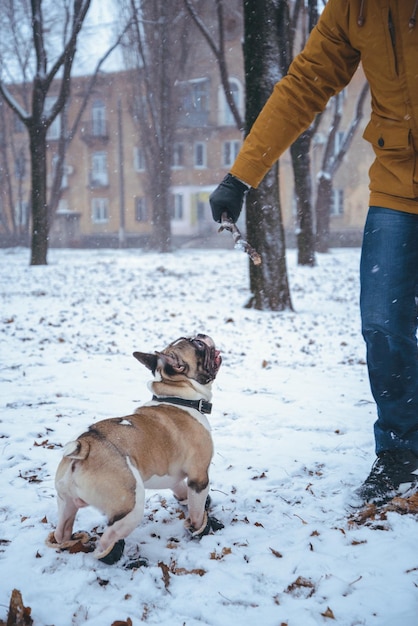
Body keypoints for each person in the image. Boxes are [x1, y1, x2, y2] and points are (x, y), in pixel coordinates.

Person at [209, 0, 418, 507]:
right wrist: (241, 176)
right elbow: (303, 87)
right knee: (383, 322)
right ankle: (402, 456)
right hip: (397, 182)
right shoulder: (352, 9)